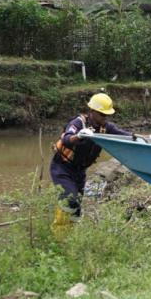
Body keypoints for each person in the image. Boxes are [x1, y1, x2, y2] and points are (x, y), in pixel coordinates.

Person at [50, 93, 132, 231]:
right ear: (92, 112)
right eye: (101, 114)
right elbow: (66, 139)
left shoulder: (106, 128)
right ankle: (57, 236)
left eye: (106, 115)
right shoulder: (78, 123)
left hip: (79, 172)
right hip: (62, 168)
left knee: (76, 209)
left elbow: (126, 136)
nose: (104, 118)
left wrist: (147, 138)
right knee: (70, 199)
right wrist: (79, 135)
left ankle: (69, 238)